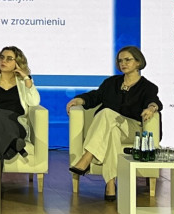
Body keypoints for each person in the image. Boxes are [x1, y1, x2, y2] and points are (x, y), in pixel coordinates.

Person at [66, 45, 161, 201]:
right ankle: (110, 184)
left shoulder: (148, 87)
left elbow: (154, 100)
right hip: (112, 127)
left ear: (138, 62)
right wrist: (79, 100)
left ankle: (87, 156)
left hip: (132, 129)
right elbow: (95, 96)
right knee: (112, 133)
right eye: (120, 61)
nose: (123, 63)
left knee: (106, 112)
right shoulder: (111, 82)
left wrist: (152, 108)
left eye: (127, 60)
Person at [0, 46, 40, 172]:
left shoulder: (23, 83)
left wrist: (27, 79)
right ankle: (12, 143)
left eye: (9, 59)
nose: (4, 61)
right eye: (2, 57)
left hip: (14, 125)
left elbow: (34, 102)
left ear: (18, 63)